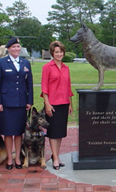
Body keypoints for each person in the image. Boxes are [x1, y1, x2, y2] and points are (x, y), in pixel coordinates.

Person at [0, 37, 33, 169]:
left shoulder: (25, 63)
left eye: (18, 46)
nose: (16, 49)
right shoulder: (1, 62)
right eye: (13, 47)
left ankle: (17, 159)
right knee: (8, 132)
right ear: (8, 49)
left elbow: (29, 83)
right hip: (6, 103)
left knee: (18, 132)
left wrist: (29, 101)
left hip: (21, 102)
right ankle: (9, 158)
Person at [41, 41, 73, 170]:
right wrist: (47, 104)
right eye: (56, 52)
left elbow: (68, 86)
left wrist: (70, 104)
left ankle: (57, 156)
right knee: (53, 133)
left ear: (63, 53)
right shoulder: (47, 67)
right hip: (53, 104)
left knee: (60, 133)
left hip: (64, 103)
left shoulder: (66, 68)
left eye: (61, 52)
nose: (59, 54)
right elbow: (44, 87)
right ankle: (54, 158)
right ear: (52, 53)